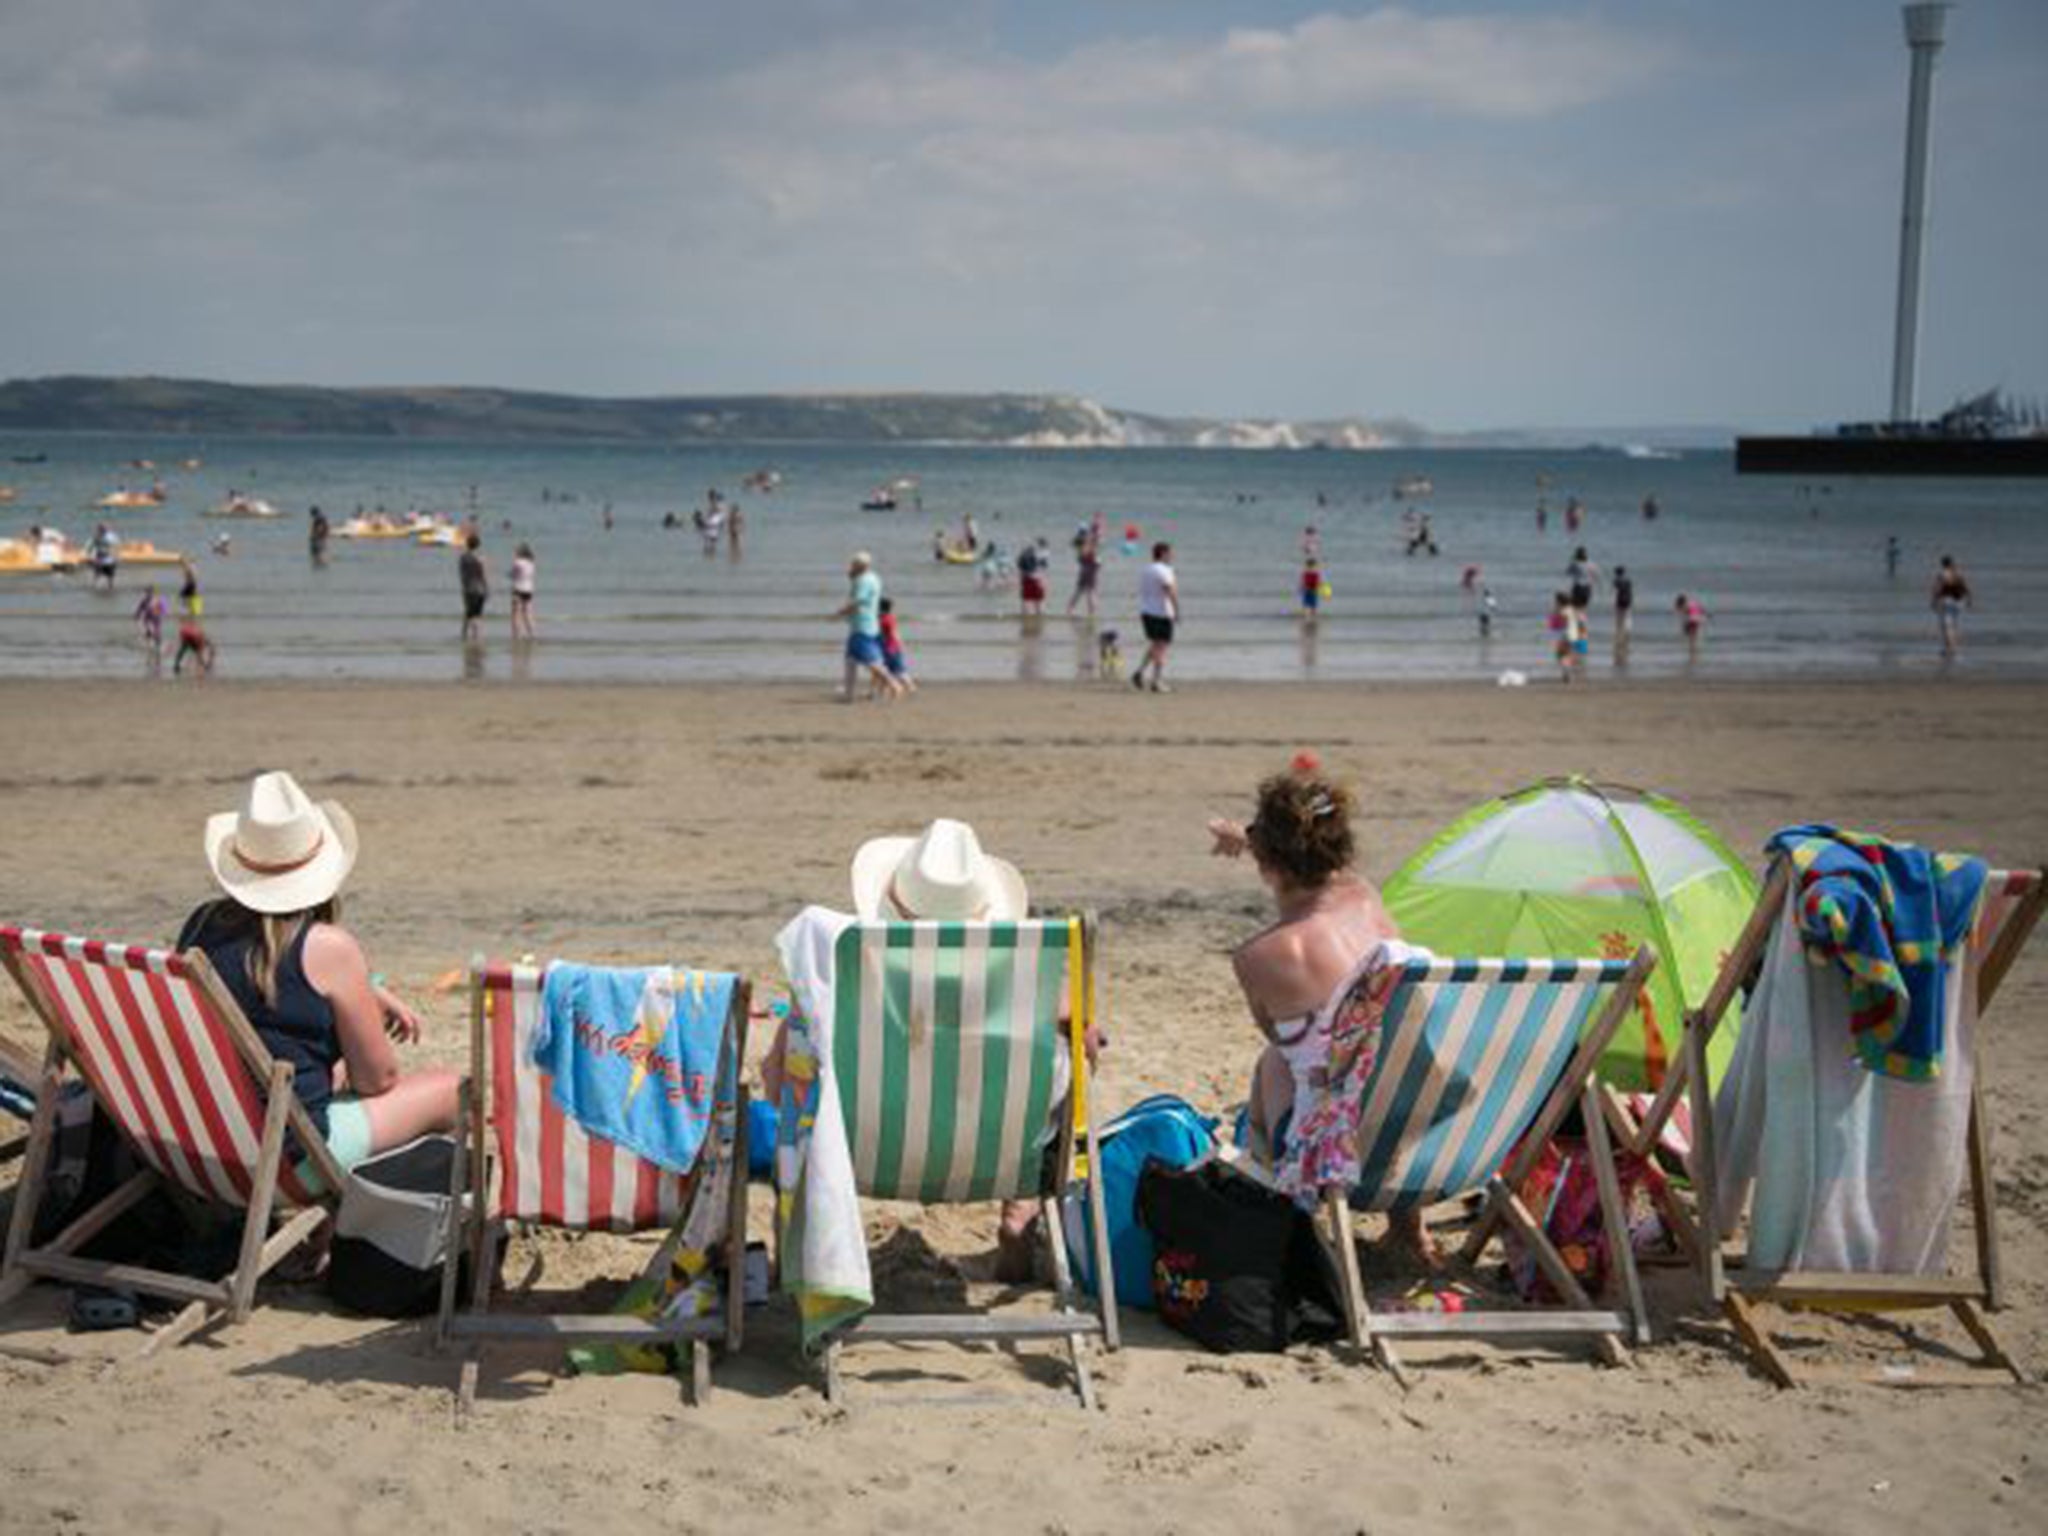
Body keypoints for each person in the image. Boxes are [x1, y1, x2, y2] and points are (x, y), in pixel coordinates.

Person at [764, 819, 1097, 1282]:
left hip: (864, 1154)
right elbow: (1083, 1034)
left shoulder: (846, 973)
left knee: (799, 1048)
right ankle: (1019, 1214)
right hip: (997, 1156)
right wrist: (1072, 1024)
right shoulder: (1015, 980)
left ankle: (805, 1255)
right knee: (1063, 1056)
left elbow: (774, 1080)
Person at [178, 771, 459, 1185]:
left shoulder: (202, 925)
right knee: (452, 1091)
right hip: (283, 1162)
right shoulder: (328, 948)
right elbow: (378, 1081)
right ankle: (376, 1233)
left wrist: (366, 991)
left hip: (197, 1145)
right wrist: (357, 994)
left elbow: (259, 1008)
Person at [1206, 761, 1431, 1263]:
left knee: (1277, 1062)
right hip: (1422, 1132)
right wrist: (1251, 838)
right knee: (1384, 1047)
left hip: (1342, 1154)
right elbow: (1314, 868)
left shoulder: (1260, 957)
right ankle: (1409, 1228)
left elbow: (1279, 1038)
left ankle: (1282, 1227)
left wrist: (1252, 840)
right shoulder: (1367, 898)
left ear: (1267, 859)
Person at [837, 550, 902, 702]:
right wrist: (852, 578)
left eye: (853, 564)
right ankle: (849, 695)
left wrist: (842, 611)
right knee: (850, 660)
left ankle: (894, 684)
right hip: (866, 624)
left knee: (871, 662)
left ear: (860, 565)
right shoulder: (872, 578)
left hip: (862, 625)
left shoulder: (864, 580)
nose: (850, 566)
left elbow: (858, 601)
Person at [1132, 540, 1179, 693]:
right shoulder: (1164, 570)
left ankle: (1139, 672)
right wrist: (1177, 610)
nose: (1172, 555)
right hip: (1161, 612)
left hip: (1147, 612)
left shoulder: (1146, 569)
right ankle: (1156, 681)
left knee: (1155, 645)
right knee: (1161, 647)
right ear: (1163, 554)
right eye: (1170, 552)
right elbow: (1169, 590)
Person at [1931, 554, 1971, 657]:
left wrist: (1934, 601)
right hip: (1958, 602)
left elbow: (1937, 589)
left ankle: (1948, 649)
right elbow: (1965, 587)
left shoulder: (1942, 574)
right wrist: (1969, 599)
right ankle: (1953, 647)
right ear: (1951, 563)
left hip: (1946, 601)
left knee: (1946, 626)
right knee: (1954, 625)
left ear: (1942, 564)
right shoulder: (1958, 574)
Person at [877, 596, 915, 695]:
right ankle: (883, 690)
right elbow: (894, 633)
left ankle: (910, 687)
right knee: (888, 669)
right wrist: (900, 644)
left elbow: (891, 634)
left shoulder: (883, 619)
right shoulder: (890, 617)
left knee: (896, 670)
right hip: (891, 647)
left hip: (889, 648)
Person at [1066, 518, 1101, 616]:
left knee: (1080, 589)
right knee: (1091, 591)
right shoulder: (1088, 541)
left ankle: (1070, 610)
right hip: (1090, 568)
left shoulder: (1079, 541)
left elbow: (1073, 543)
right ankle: (1092, 614)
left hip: (1085, 567)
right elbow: (1096, 540)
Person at [1549, 591, 1586, 683]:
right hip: (1574, 635)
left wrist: (1555, 611)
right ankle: (1568, 671)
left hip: (1565, 635)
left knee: (1561, 655)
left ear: (1560, 602)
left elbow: (1553, 624)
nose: (1555, 602)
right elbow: (1581, 621)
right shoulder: (1574, 610)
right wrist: (1582, 634)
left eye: (1556, 601)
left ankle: (1567, 673)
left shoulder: (1562, 611)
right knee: (1566, 655)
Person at [458, 533, 488, 643]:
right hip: (479, 589)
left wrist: (464, 586)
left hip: (468, 588)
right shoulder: (480, 559)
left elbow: (462, 574)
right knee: (477, 616)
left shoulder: (463, 558)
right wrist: (487, 588)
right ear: (478, 545)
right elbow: (483, 575)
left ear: (467, 544)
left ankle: (464, 636)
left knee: (468, 613)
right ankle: (477, 638)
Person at [509, 541, 537, 641]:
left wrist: (510, 574)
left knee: (516, 614)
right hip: (529, 589)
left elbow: (513, 574)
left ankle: (517, 635)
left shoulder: (517, 562)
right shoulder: (531, 563)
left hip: (518, 588)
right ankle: (532, 634)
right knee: (528, 613)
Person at [1016, 537, 1048, 617]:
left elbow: (1020, 569)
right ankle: (1039, 619)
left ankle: (1025, 619)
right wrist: (1043, 582)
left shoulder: (1024, 555)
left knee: (1026, 601)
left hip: (1026, 579)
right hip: (1037, 579)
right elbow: (1043, 569)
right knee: (1039, 602)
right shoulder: (1040, 554)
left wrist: (1021, 581)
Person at [133, 584, 166, 659]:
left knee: (155, 632)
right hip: (149, 619)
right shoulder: (145, 600)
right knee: (151, 632)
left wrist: (137, 615)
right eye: (148, 592)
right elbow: (139, 609)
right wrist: (137, 615)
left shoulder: (156, 600)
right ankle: (151, 647)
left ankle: (155, 647)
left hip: (155, 618)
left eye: (150, 592)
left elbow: (163, 609)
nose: (149, 594)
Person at [1566, 545, 1601, 614]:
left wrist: (1572, 560)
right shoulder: (1591, 563)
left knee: (1575, 607)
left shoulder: (1574, 563)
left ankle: (1578, 622)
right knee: (1584, 608)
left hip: (1578, 587)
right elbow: (1597, 574)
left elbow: (1568, 572)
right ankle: (1583, 622)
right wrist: (1592, 581)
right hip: (1587, 587)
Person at [1676, 593, 1708, 663]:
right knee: (1692, 639)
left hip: (1695, 619)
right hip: (1695, 618)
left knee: (1692, 639)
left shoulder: (1689, 605)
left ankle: (1693, 657)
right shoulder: (1690, 604)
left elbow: (1693, 616)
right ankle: (1693, 656)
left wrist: (1684, 626)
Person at [1612, 565, 1635, 660]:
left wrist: (1613, 603)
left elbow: (1615, 592)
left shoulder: (1616, 581)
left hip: (1619, 602)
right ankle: (1627, 633)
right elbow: (1630, 591)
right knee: (1627, 618)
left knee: (1619, 620)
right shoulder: (1628, 580)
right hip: (1628, 601)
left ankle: (1619, 635)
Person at [88, 524, 119, 592]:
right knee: (98, 573)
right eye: (100, 529)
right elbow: (91, 545)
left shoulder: (111, 537)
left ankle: (110, 587)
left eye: (103, 529)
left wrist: (116, 556)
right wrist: (90, 554)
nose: (101, 531)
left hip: (109, 558)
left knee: (110, 575)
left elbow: (116, 546)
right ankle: (95, 586)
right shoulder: (97, 537)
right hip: (100, 558)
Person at [1299, 556, 1323, 623]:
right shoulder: (1315, 573)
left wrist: (1301, 588)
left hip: (1307, 589)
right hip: (1313, 590)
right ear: (1314, 564)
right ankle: (1313, 616)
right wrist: (1320, 588)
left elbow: (1303, 582)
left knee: (1306, 604)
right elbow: (1318, 583)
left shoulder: (1305, 573)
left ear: (1307, 564)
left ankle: (1305, 616)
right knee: (1313, 605)